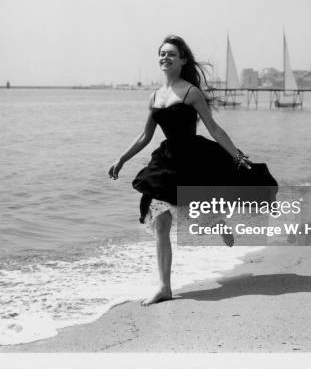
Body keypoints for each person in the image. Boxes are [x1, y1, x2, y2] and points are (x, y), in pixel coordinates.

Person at [108, 35, 263, 306]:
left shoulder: (191, 92)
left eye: (171, 54)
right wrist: (122, 159)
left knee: (199, 216)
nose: (165, 57)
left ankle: (216, 221)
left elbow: (214, 128)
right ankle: (164, 287)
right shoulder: (154, 96)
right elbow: (145, 137)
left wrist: (237, 156)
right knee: (161, 222)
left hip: (192, 160)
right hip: (166, 161)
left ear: (182, 60)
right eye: (162, 53)